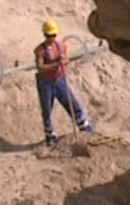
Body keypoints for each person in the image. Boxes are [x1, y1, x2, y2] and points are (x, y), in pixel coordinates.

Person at [34, 19, 92, 147]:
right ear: (45, 35)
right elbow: (40, 67)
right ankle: (50, 135)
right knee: (47, 109)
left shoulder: (61, 46)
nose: (51, 38)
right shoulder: (40, 50)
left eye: (53, 35)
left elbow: (66, 60)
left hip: (60, 80)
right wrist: (55, 64)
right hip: (46, 83)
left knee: (71, 101)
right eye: (49, 36)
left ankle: (83, 125)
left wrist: (64, 61)